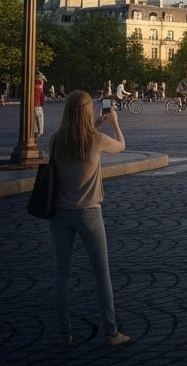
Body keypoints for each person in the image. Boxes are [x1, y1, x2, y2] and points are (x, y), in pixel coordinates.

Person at [48, 90, 131, 346]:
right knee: (101, 274)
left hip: (59, 214)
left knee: (62, 273)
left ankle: (64, 334)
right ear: (87, 111)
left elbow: (72, 146)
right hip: (89, 213)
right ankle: (111, 332)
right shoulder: (97, 139)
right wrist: (114, 123)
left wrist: (94, 125)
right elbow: (121, 145)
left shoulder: (55, 139)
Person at [34, 72, 46, 138]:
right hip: (38, 104)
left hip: (33, 104)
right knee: (40, 118)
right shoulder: (40, 86)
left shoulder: (34, 85)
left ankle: (35, 131)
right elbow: (42, 96)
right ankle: (40, 131)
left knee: (34, 119)